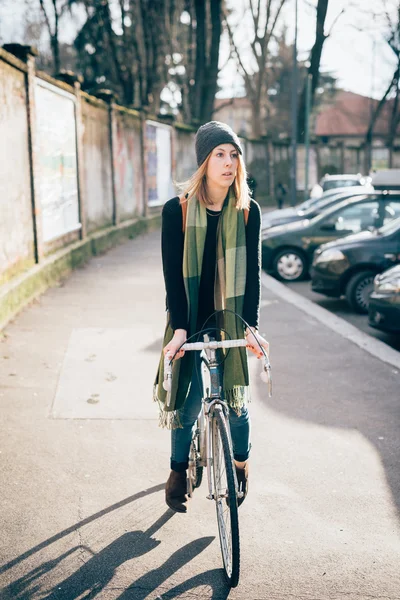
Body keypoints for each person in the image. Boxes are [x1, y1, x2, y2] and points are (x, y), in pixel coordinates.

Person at [154, 121, 269, 514]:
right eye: (219, 154)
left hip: (232, 316)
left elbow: (251, 276)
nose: (228, 162)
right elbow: (173, 276)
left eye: (234, 154)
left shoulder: (247, 211)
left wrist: (251, 328)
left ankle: (240, 463)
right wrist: (180, 328)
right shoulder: (178, 210)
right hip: (190, 316)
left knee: (236, 405)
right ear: (204, 161)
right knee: (186, 403)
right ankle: (176, 470)